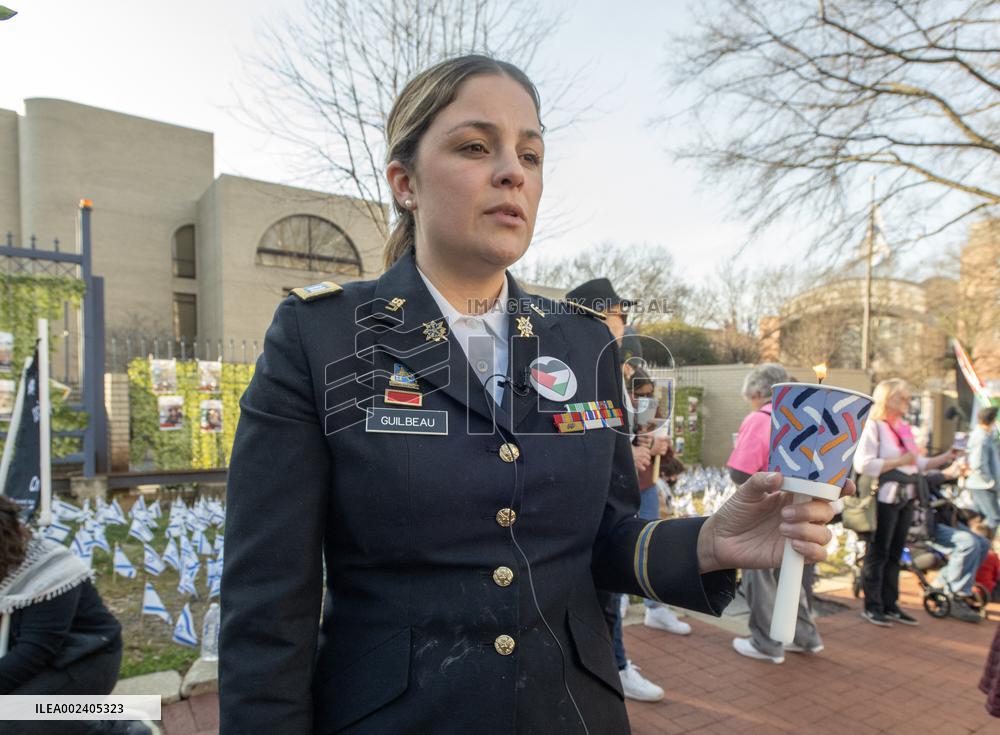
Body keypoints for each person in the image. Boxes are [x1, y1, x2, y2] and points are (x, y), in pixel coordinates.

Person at [220, 54, 845, 734]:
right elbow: (268, 602)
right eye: (475, 146)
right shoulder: (323, 336)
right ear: (405, 182)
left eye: (531, 153)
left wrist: (710, 541)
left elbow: (603, 536)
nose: (513, 171)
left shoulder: (582, 343)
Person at [563, 278, 671, 702]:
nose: (623, 325)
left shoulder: (621, 369)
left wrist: (649, 441)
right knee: (593, 600)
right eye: (615, 316)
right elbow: (571, 431)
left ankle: (612, 667)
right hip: (580, 511)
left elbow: (630, 425)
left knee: (612, 597)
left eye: (624, 317)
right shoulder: (568, 367)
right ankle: (612, 669)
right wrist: (629, 451)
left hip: (617, 504)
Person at [0, 497, 153, 735]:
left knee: (12, 719)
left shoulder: (48, 568)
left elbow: (34, 652)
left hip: (85, 658)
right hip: (29, 657)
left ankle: (118, 728)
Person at [726, 364, 823, 664]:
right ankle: (805, 636)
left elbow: (741, 472)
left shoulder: (760, 419)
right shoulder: (806, 414)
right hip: (804, 504)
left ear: (758, 393)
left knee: (761, 575)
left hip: (768, 506)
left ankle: (767, 642)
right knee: (791, 574)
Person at [853, 379, 956, 627]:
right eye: (904, 398)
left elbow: (917, 463)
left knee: (896, 552)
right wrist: (899, 462)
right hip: (885, 497)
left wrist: (946, 458)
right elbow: (863, 464)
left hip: (906, 497)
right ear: (889, 399)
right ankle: (873, 605)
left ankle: (890, 605)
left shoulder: (903, 428)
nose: (908, 403)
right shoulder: (875, 427)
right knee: (878, 552)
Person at [968, 406, 1000, 534]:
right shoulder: (981, 438)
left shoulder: (984, 435)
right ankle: (987, 550)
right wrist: (990, 481)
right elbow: (978, 464)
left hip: (981, 484)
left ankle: (980, 546)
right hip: (983, 485)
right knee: (993, 518)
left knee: (978, 518)